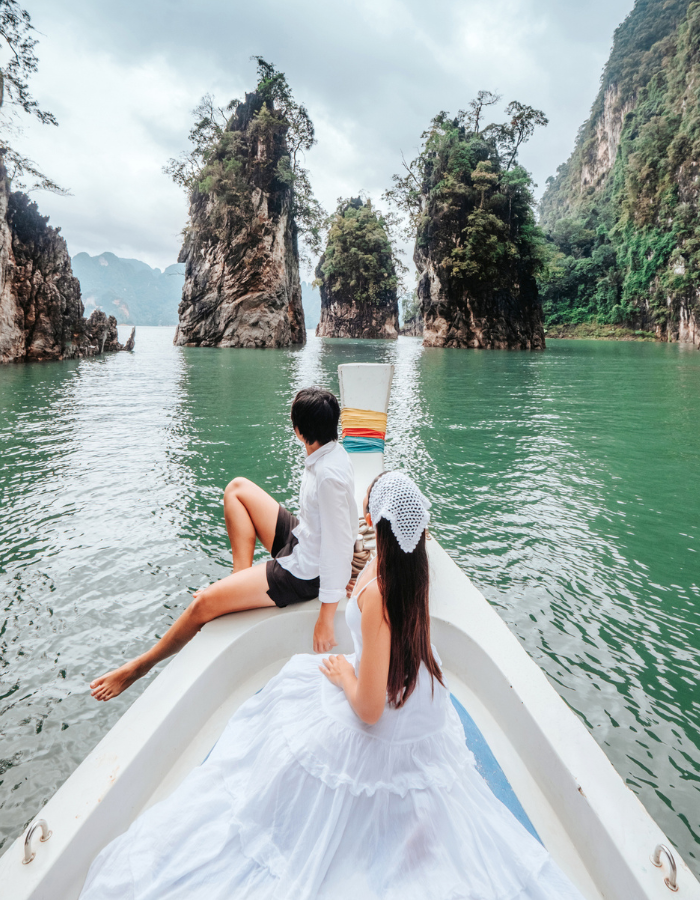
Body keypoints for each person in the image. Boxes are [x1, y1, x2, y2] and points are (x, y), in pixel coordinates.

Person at [80, 471, 585, 900]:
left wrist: (346, 672)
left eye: (366, 510)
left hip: (378, 709)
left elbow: (368, 710)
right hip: (421, 704)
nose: (361, 517)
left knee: (290, 710)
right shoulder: (413, 573)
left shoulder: (376, 597)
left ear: (376, 525)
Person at [90, 387, 358, 701]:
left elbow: (338, 545)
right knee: (237, 489)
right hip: (303, 538)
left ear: (299, 431)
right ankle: (236, 584)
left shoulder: (328, 476)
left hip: (304, 572)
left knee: (202, 606)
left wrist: (327, 616)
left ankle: (140, 666)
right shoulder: (328, 452)